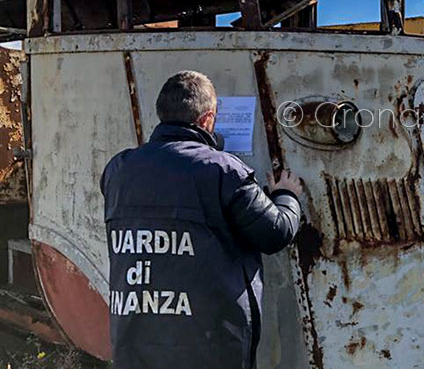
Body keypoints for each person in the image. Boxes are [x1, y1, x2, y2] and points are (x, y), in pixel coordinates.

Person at [101, 71, 305, 369]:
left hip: (136, 333)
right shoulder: (222, 171)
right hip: (208, 339)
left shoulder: (118, 168)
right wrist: (287, 195)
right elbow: (275, 232)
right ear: (208, 119)